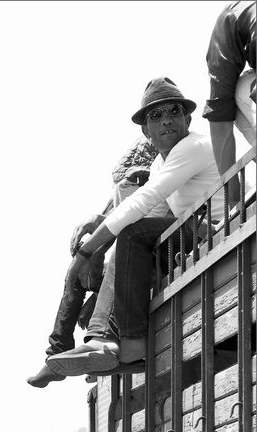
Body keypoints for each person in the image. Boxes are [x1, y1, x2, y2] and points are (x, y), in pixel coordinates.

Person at [39, 78, 225, 378]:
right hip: (188, 238)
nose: (166, 120)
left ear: (187, 119)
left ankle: (118, 345)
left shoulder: (195, 146)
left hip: (215, 230)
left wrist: (88, 251)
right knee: (122, 246)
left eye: (174, 112)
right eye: (156, 115)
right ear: (146, 130)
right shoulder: (159, 165)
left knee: (131, 236)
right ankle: (76, 349)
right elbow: (145, 213)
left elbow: (141, 204)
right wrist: (96, 243)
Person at [27, 138, 158, 388]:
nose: (131, 184)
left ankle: (99, 348)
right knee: (77, 274)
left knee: (106, 260)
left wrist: (94, 258)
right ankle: (56, 353)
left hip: (147, 259)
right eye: (127, 180)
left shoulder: (159, 187)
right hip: (123, 262)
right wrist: (87, 254)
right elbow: (112, 223)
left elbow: (130, 226)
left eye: (137, 179)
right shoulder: (124, 190)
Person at [203, 0, 256, 204]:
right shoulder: (238, 15)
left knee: (241, 88)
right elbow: (220, 113)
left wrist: (234, 205)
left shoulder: (232, 14)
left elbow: (220, 121)